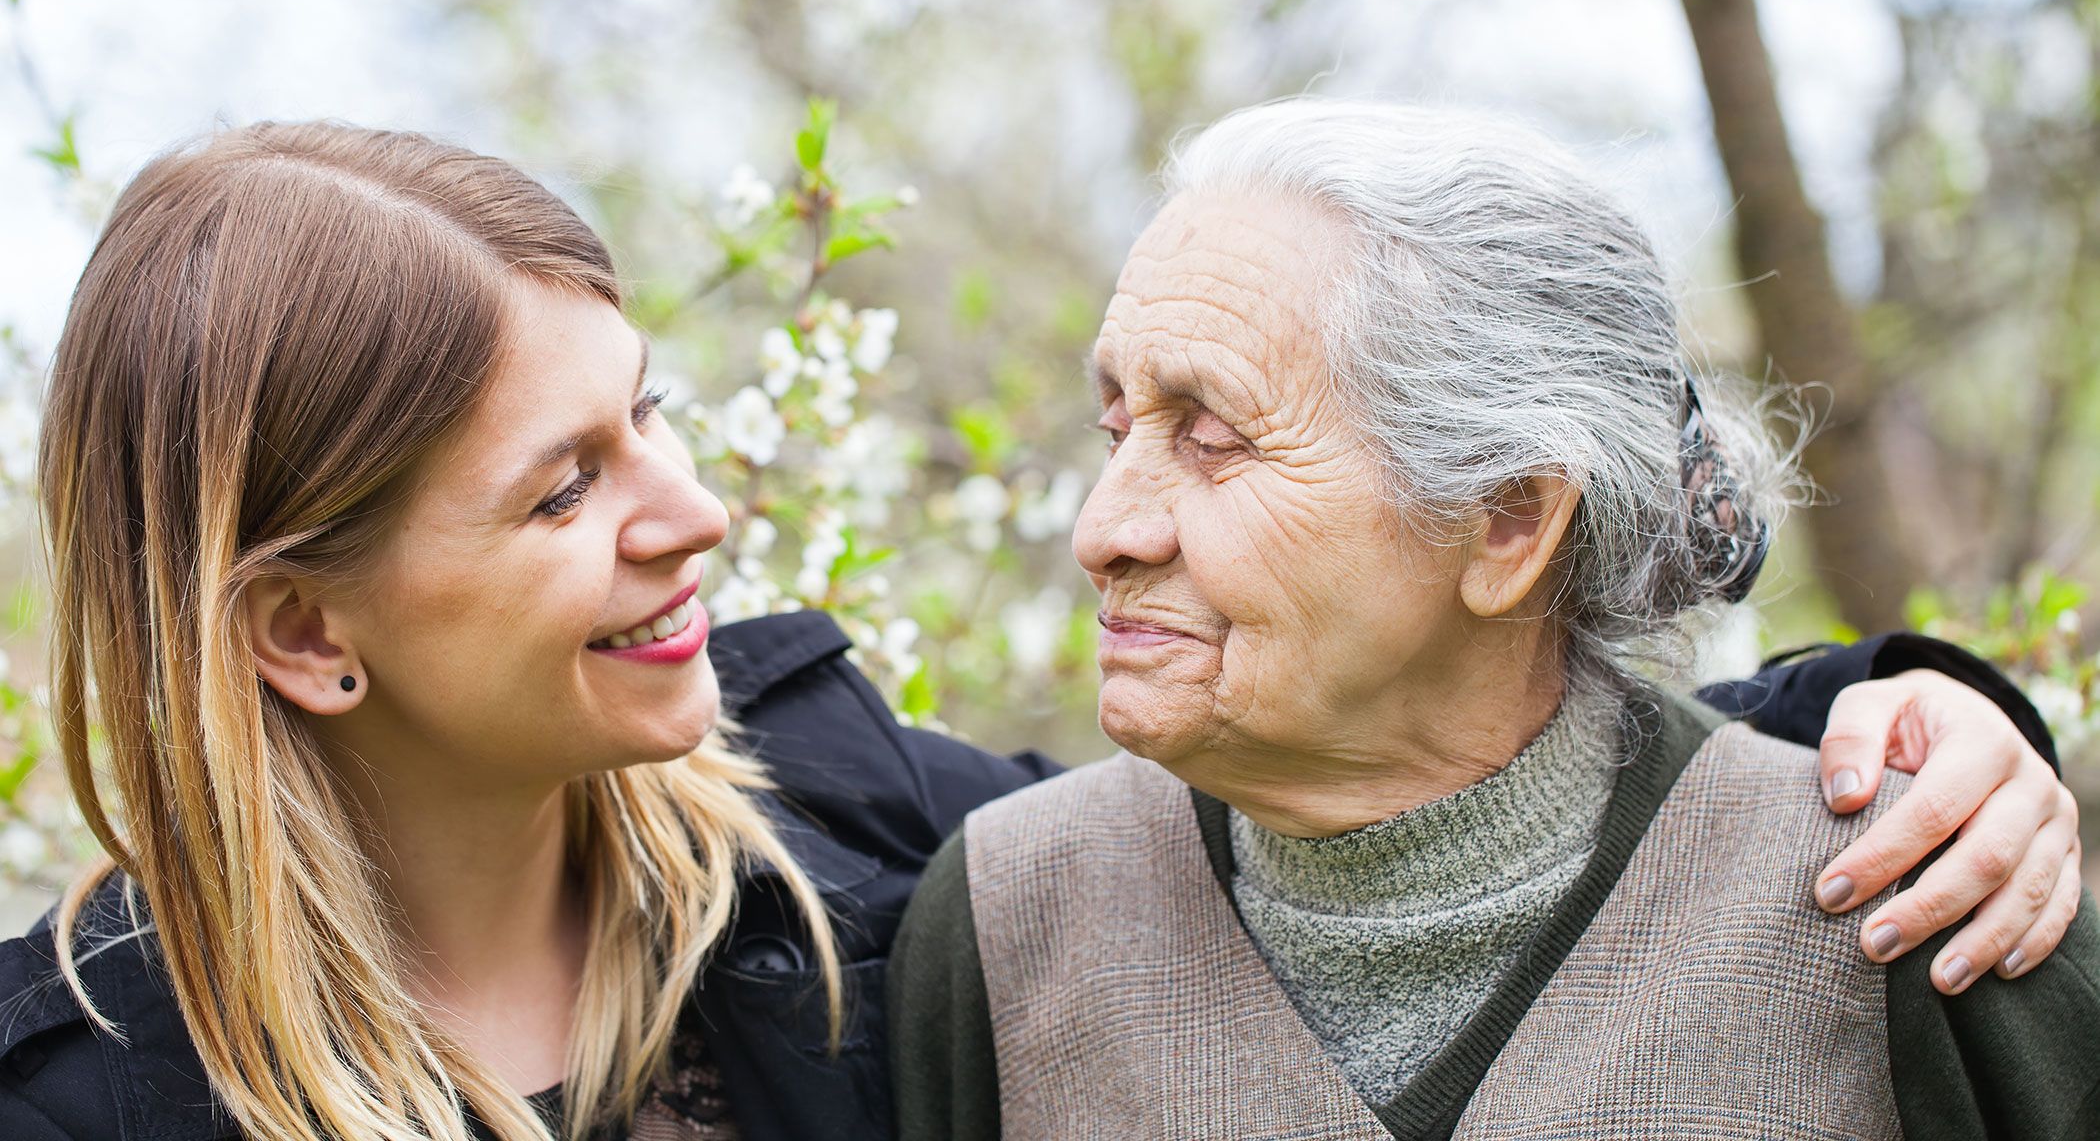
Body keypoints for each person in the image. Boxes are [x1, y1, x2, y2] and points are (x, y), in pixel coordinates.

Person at [0, 120, 2077, 1141]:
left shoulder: (833, 835)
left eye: (651, 414)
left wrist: (1913, 720)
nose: (696, 510)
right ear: (302, 635)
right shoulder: (77, 1097)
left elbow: (1431, 777)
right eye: (564, 486)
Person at [886, 100, 2100, 1140]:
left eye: (1214, 440)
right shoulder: (1003, 920)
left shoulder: (1921, 898)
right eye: (1117, 431)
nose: (1106, 528)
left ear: (1510, 523)